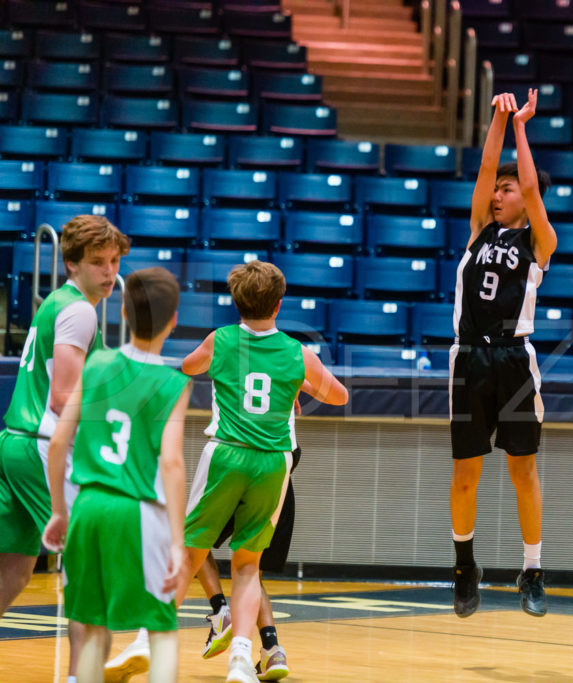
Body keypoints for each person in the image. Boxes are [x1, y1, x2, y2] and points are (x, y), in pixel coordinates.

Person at [107, 260, 349, 683]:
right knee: (247, 565)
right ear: (278, 304)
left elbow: (187, 368)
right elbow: (338, 395)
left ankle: (147, 638)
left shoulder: (220, 340)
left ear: (237, 303)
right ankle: (240, 659)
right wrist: (296, 385)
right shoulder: (298, 352)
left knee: (190, 551)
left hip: (225, 454)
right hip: (273, 462)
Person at [42, 267, 191, 683]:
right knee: (161, 626)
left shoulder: (96, 364)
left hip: (87, 505)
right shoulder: (171, 383)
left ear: (123, 313)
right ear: (174, 319)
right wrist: (179, 544)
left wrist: (59, 510)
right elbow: (172, 463)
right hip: (136, 511)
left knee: (92, 627)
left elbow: (57, 444)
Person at [0, 215, 129, 683]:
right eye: (98, 262)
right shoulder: (80, 310)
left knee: (13, 569)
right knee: (90, 572)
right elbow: (62, 397)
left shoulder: (57, 302)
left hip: (15, 443)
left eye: (114, 261)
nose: (109, 271)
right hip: (41, 446)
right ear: (72, 263)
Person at [449, 88, 557, 618]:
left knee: (523, 470)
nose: (497, 194)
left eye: (506, 189)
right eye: (495, 189)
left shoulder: (539, 241)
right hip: (470, 358)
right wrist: (498, 116)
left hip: (515, 361)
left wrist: (522, 126)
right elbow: (485, 166)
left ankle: (532, 569)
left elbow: (532, 184)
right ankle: (465, 565)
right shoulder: (477, 230)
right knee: (465, 472)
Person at [195, 445, 301, 681]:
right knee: (251, 571)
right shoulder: (283, 409)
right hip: (277, 475)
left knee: (190, 542)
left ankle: (220, 610)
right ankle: (272, 649)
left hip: (237, 462)